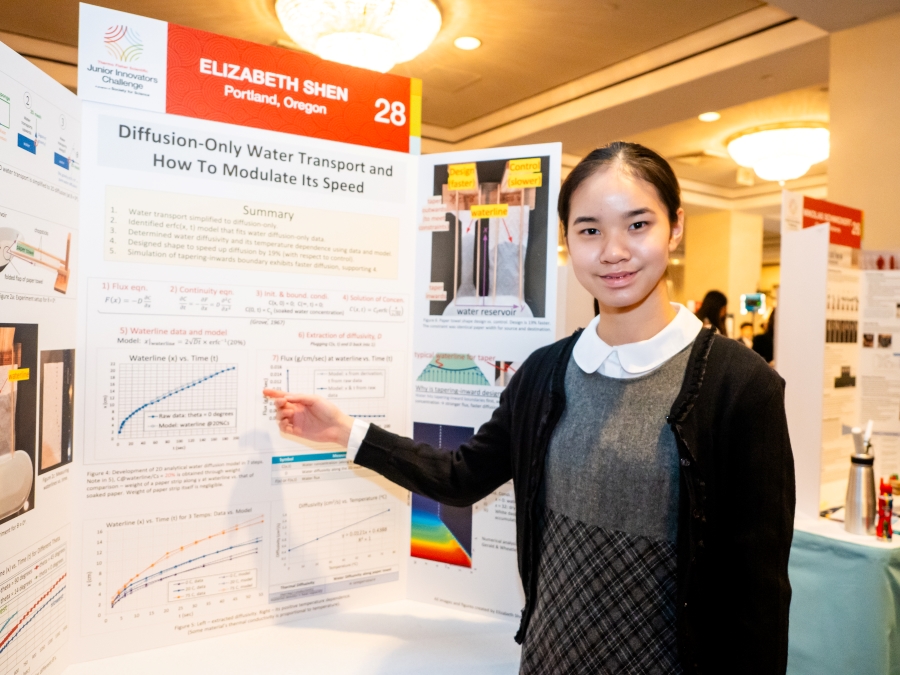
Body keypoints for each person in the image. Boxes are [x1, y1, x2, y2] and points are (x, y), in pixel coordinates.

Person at [264, 142, 795, 675]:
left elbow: (759, 590)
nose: (613, 251)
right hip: (548, 660)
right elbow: (463, 475)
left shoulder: (740, 386)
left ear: (675, 227)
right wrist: (344, 430)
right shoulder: (544, 373)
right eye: (589, 230)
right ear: (566, 240)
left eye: (637, 225)